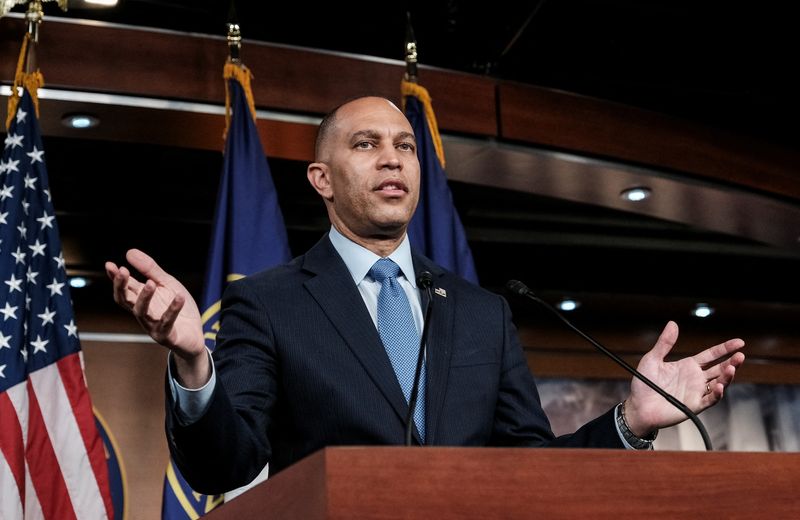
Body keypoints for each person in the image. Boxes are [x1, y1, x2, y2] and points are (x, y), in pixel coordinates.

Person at [106, 96, 745, 494]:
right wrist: (193, 362)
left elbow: (531, 471)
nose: (393, 159)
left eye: (405, 147)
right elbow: (224, 466)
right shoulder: (271, 304)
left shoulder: (481, 312)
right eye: (367, 144)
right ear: (321, 179)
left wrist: (630, 422)